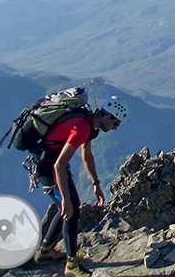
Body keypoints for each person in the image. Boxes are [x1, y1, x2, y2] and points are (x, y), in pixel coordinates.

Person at [33, 96, 128, 277]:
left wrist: (96, 184)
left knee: (69, 206)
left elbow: (87, 156)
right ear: (107, 117)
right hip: (48, 167)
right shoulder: (83, 127)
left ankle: (45, 251)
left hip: (51, 163)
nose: (115, 128)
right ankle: (71, 265)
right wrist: (66, 200)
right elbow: (59, 166)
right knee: (71, 209)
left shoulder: (88, 124)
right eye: (115, 123)